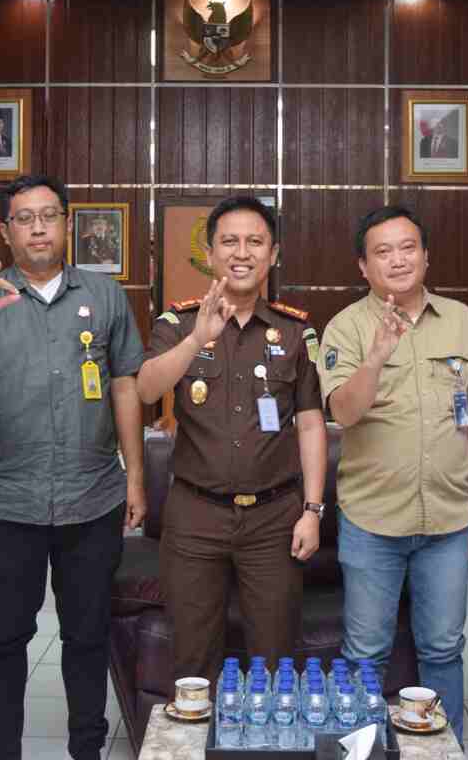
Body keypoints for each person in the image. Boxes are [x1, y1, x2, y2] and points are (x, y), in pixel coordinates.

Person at [0, 174, 146, 760]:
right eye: (24, 218)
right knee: (4, 637)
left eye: (49, 215)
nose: (39, 227)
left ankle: (87, 749)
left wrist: (136, 476)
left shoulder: (104, 296)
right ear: (6, 231)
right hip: (8, 504)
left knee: (87, 635)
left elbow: (125, 386)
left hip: (93, 498)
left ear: (67, 224)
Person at [318, 205, 468, 751]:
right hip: (373, 520)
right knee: (365, 654)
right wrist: (375, 358)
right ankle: (361, 751)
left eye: (407, 247)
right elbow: (343, 412)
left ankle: (441, 751)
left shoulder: (461, 320)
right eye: (383, 251)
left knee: (443, 649)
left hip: (447, 519)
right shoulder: (347, 326)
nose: (397, 259)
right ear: (363, 266)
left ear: (426, 255)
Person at [137, 196, 327, 684]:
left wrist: (312, 510)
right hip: (195, 516)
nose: (242, 253)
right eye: (230, 241)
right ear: (210, 252)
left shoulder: (295, 331)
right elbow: (147, 389)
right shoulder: (178, 323)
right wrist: (195, 340)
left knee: (275, 657)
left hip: (274, 519)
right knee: (192, 660)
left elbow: (310, 424)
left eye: (255, 242)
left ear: (273, 254)